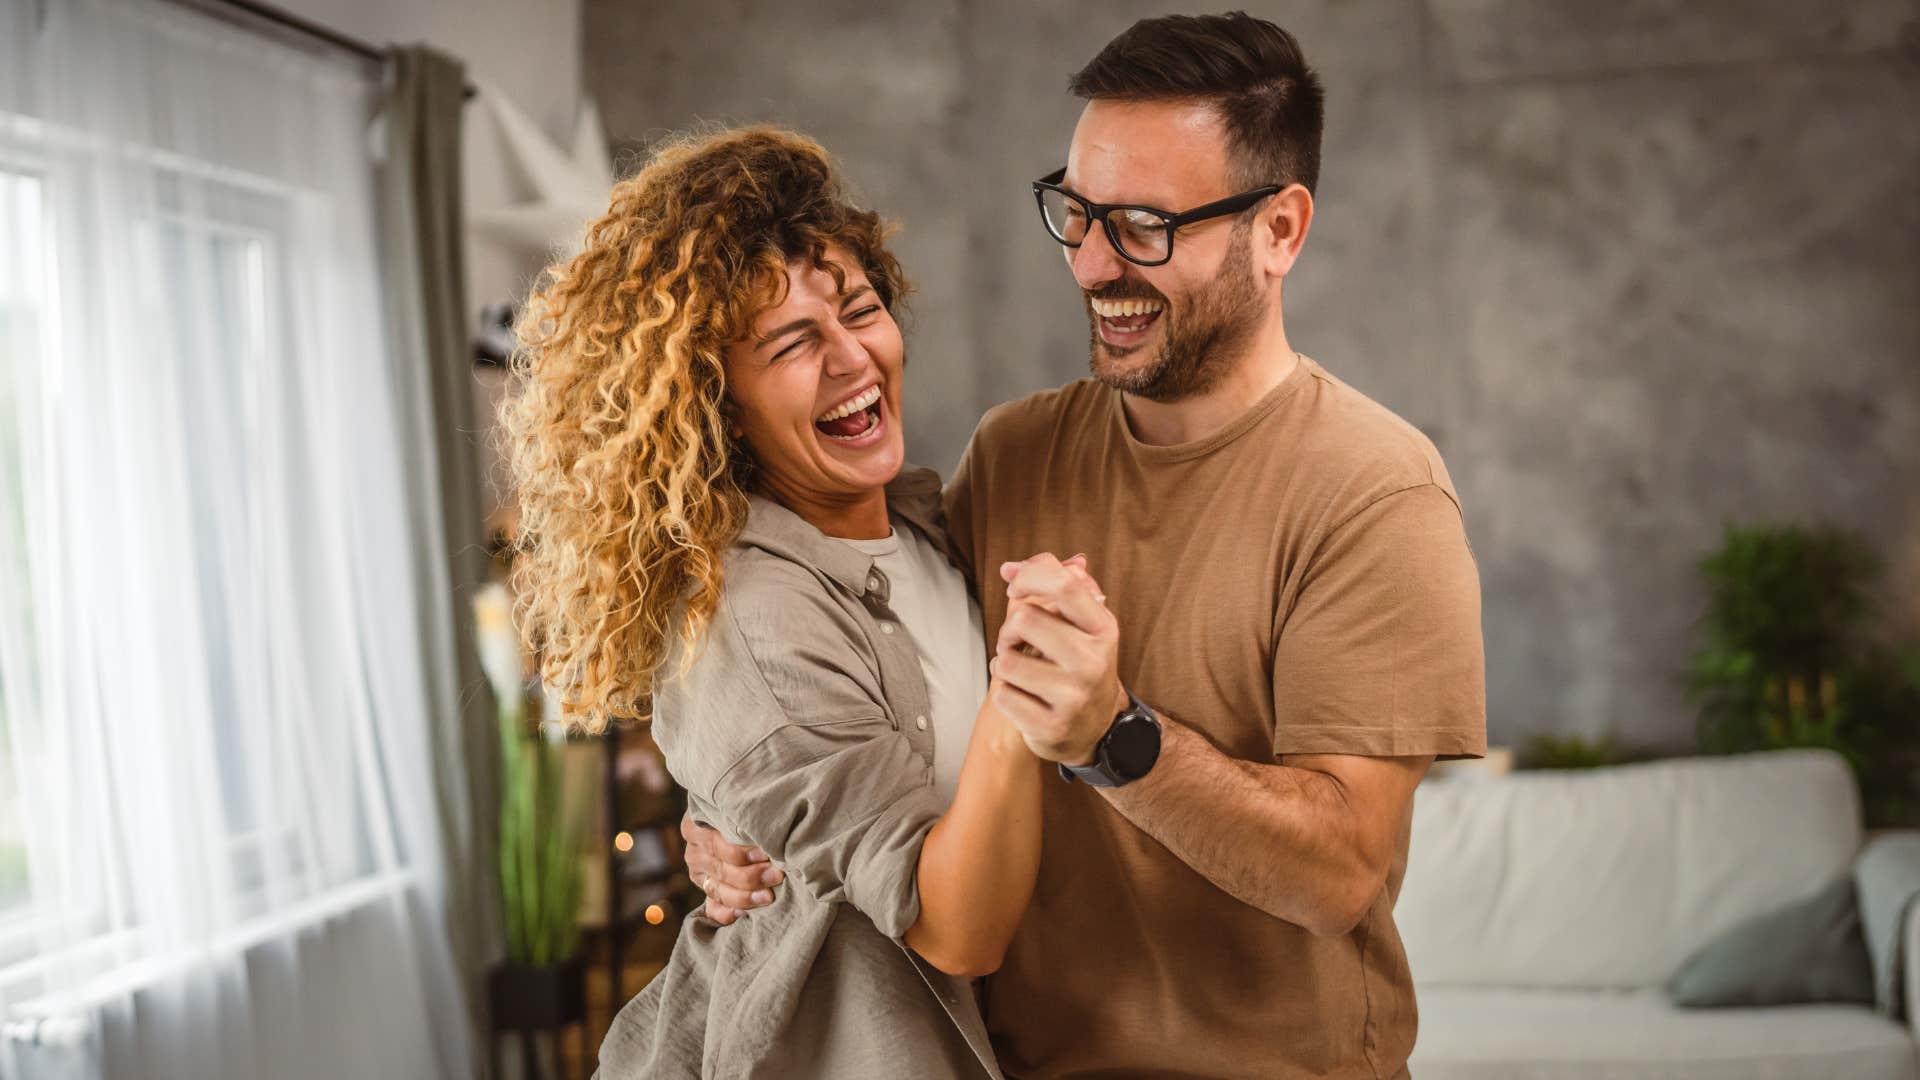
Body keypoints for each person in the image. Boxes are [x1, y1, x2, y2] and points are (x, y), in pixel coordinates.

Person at [685, 13, 1488, 1079]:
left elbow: (1342, 873)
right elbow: (899, 684)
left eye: (1146, 224)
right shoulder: (1014, 453)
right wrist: (733, 817)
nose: (1095, 264)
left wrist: (1117, 736)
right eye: (1078, 213)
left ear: (1281, 231)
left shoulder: (1375, 492)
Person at [501, 126, 1057, 1078]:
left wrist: (721, 820)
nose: (852, 358)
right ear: (718, 401)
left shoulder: (929, 524)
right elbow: (956, 930)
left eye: (861, 310)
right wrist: (1030, 687)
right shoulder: (751, 622)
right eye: (794, 343)